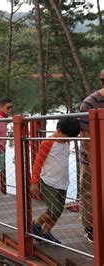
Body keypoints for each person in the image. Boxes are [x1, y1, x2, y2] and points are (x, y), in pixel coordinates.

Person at [30, 118, 81, 244]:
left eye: (70, 138)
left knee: (58, 212)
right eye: (66, 137)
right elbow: (38, 163)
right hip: (48, 181)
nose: (68, 140)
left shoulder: (66, 143)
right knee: (54, 209)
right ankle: (36, 225)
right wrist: (34, 182)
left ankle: (45, 233)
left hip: (63, 182)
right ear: (58, 130)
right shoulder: (47, 143)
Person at [78, 69, 104, 243]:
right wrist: (96, 160)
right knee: (89, 191)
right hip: (91, 157)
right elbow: (85, 136)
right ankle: (90, 228)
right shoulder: (90, 102)